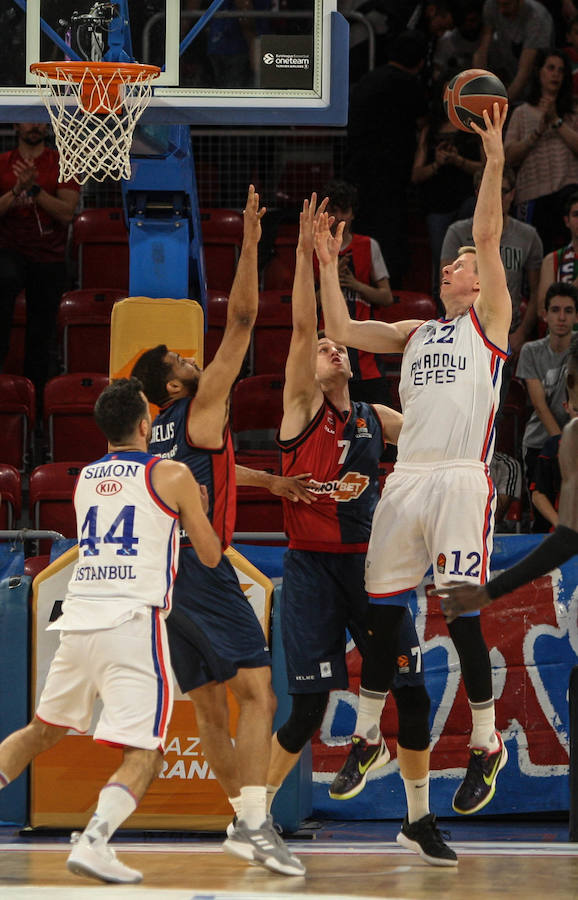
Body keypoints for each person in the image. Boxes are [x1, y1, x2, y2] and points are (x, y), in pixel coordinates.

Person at [316, 102, 512, 818]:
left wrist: (493, 159)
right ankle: (368, 736)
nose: (460, 263)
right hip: (407, 480)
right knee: (382, 613)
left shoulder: (489, 325)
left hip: (460, 477)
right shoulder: (416, 331)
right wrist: (322, 258)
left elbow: (487, 230)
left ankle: (486, 742)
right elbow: (340, 326)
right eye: (456, 262)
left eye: (466, 262)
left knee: (459, 611)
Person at [267, 193, 457, 866]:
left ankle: (418, 818)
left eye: (335, 345)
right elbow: (300, 330)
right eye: (323, 348)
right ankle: (255, 817)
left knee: (414, 688)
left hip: (371, 569)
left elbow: (438, 445)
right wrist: (304, 258)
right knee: (308, 708)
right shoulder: (299, 410)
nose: (330, 349)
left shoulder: (378, 420)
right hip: (314, 567)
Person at [132, 186, 306, 878]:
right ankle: (258, 824)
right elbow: (241, 318)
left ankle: (242, 823)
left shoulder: (163, 435)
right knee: (260, 692)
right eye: (178, 358)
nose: (189, 358)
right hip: (203, 571)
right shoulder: (203, 404)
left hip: (164, 578)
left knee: (209, 708)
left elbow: (213, 476)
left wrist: (272, 484)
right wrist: (251, 242)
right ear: (174, 387)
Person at [0, 377, 222, 884]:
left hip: (77, 622)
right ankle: (95, 841)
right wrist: (197, 512)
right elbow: (209, 556)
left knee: (40, 732)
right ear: (146, 424)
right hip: (131, 623)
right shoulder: (172, 473)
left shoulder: (83, 479)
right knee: (145, 751)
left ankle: (96, 841)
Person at [435, 332, 578, 621]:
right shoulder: (572, 438)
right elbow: (567, 538)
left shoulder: (573, 439)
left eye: (571, 376)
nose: (568, 385)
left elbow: (566, 539)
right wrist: (488, 592)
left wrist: (488, 592)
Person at [0, 122, 80, 400]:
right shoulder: (3, 163)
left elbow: (67, 213)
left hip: (49, 257)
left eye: (38, 120)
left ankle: (35, 404)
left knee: (41, 337)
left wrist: (33, 189)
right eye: (27, 119)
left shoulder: (61, 163)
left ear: (47, 125)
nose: (33, 126)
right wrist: (15, 191)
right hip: (9, 251)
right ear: (16, 124)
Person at [345, 29, 428, 287]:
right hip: (392, 176)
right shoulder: (410, 84)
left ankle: (362, 283)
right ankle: (390, 290)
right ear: (420, 62)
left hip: (358, 173)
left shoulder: (366, 81)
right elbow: (424, 123)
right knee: (389, 233)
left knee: (364, 230)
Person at [441, 165, 543, 357]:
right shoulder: (457, 232)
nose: (496, 197)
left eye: (503, 191)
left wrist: (520, 334)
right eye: (490, 190)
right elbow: (447, 285)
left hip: (506, 332)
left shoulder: (528, 236)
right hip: (466, 330)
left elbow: (536, 290)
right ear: (479, 193)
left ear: (512, 194)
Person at [316, 179, 395, 405]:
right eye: (333, 210)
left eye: (344, 210)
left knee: (375, 428)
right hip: (326, 354)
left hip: (367, 359)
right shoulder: (311, 248)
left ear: (353, 214)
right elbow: (304, 306)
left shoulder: (369, 246)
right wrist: (330, 275)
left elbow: (386, 297)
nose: (339, 216)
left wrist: (353, 283)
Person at [412, 77, 482, 305]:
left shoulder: (474, 126)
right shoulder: (430, 130)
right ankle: (442, 316)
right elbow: (416, 174)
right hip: (437, 205)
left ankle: (470, 307)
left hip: (467, 201)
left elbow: (487, 168)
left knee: (470, 259)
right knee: (441, 264)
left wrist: (458, 160)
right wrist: (438, 163)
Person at [516, 281, 578, 530]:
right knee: (542, 516)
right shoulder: (531, 351)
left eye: (568, 310)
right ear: (544, 314)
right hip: (541, 442)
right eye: (555, 310)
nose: (561, 317)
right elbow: (539, 406)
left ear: (576, 316)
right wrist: (563, 445)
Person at [504, 49, 578, 254]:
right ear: (539, 73)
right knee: (536, 253)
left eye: (561, 71)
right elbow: (508, 156)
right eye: (551, 68)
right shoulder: (522, 112)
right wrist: (537, 132)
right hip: (533, 194)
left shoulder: (574, 112)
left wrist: (556, 122)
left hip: (569, 191)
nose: (556, 74)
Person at [473, 0, 554, 103]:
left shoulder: (536, 17)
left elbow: (525, 69)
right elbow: (482, 48)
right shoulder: (491, 5)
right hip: (509, 69)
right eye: (498, 4)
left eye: (506, 4)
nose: (501, 10)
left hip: (536, 82)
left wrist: (502, 104)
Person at [531, 386, 577, 529]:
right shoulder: (553, 447)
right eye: (577, 409)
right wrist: (560, 525)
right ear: (566, 407)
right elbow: (538, 495)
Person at [537, 190, 578, 316]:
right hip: (563, 335)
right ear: (567, 221)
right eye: (576, 214)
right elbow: (541, 310)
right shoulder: (552, 260)